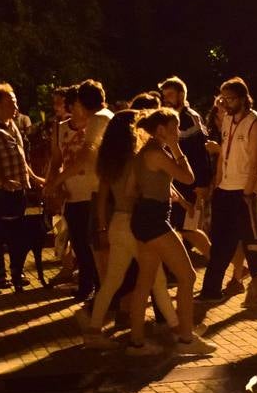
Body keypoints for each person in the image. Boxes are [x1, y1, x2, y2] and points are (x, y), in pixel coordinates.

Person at [79, 111, 179, 347]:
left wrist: (103, 229)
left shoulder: (109, 161)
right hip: (136, 224)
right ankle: (179, 330)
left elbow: (102, 198)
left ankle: (93, 330)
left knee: (112, 280)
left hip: (117, 224)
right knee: (157, 280)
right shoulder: (136, 158)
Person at [124, 108, 215, 355]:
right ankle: (186, 339)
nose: (178, 132)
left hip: (143, 218)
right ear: (162, 129)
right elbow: (188, 178)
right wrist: (176, 148)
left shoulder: (143, 152)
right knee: (187, 276)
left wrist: (158, 191)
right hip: (154, 220)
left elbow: (131, 190)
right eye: (174, 128)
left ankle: (137, 342)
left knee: (145, 282)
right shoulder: (157, 152)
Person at [199, 77, 257, 302]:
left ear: (242, 98)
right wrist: (217, 183)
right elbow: (223, 155)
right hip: (225, 188)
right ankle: (211, 291)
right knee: (221, 242)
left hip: (244, 190)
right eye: (223, 98)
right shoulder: (227, 119)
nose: (226, 103)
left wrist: (248, 192)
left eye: (230, 99)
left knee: (254, 243)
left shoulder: (255, 122)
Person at [49, 80, 112, 303]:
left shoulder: (98, 119)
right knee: (84, 245)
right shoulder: (103, 117)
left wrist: (56, 181)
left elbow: (86, 156)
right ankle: (97, 291)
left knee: (96, 246)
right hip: (78, 195)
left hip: (95, 192)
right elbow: (57, 159)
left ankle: (104, 294)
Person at [0, 83, 43, 289]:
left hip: (17, 189)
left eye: (15, 102)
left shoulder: (12, 125)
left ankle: (16, 271)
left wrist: (33, 177)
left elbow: (21, 157)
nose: (16, 107)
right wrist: (3, 181)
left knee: (17, 233)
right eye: (11, 103)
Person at [157, 77, 213, 255]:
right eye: (164, 95)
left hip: (190, 183)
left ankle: (222, 261)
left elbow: (201, 154)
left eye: (170, 95)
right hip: (176, 180)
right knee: (179, 227)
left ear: (181, 94)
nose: (166, 99)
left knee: (188, 228)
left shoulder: (190, 118)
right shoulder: (168, 118)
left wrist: (202, 185)